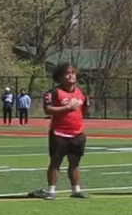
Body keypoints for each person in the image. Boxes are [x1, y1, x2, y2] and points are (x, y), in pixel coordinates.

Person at [30, 63, 91, 199]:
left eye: (73, 73)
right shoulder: (54, 92)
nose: (71, 76)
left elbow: (84, 109)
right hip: (59, 133)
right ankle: (51, 190)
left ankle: (76, 190)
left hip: (77, 133)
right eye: (67, 73)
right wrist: (67, 108)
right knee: (55, 162)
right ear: (60, 77)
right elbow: (48, 109)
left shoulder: (81, 93)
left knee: (75, 163)